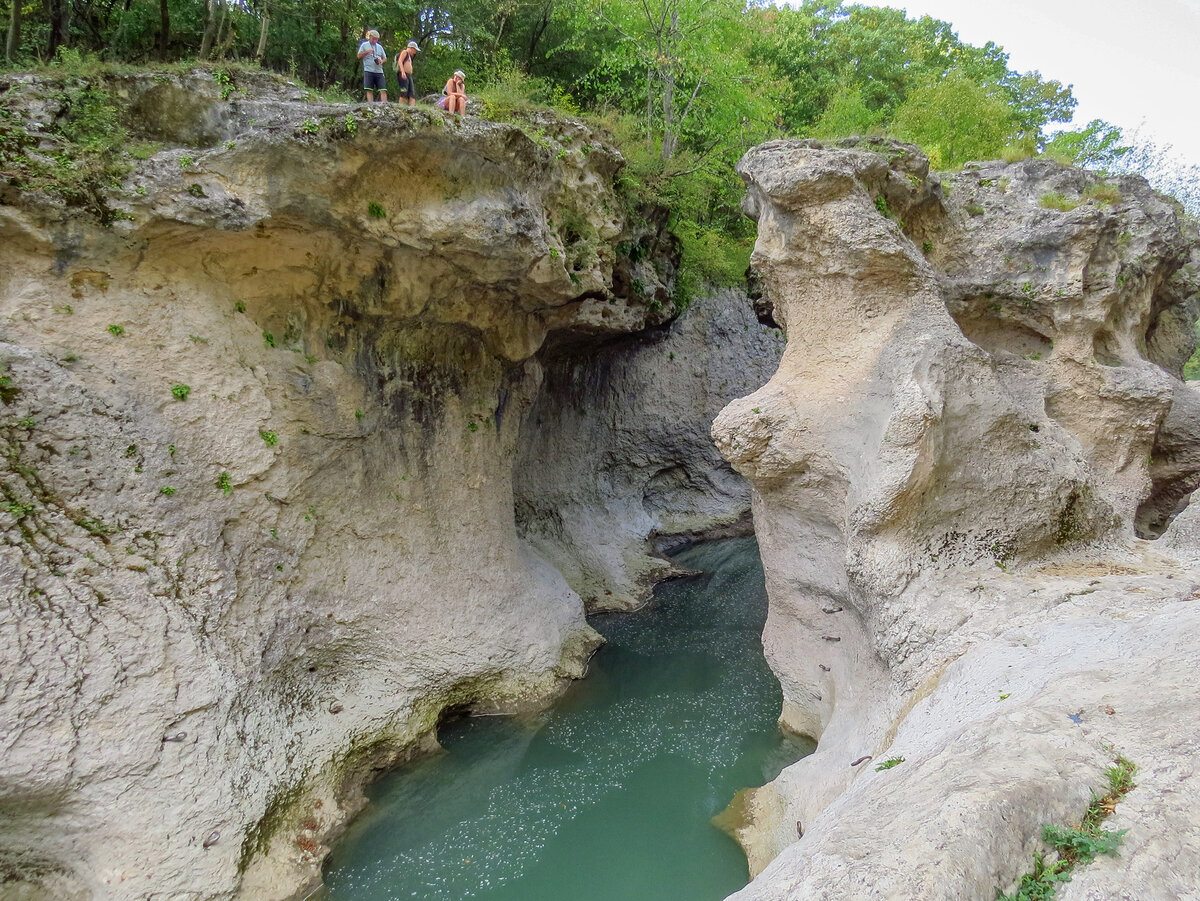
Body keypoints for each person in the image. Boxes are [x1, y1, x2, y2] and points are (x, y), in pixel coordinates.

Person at [357, 30, 387, 103]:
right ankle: (371, 105)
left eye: (376, 39)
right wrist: (367, 52)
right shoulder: (364, 45)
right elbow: (358, 56)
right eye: (373, 38)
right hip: (368, 70)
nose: (375, 40)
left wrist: (381, 61)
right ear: (370, 37)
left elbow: (385, 58)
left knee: (383, 89)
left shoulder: (379, 47)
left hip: (379, 71)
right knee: (369, 89)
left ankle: (385, 105)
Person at [395, 40, 420, 107]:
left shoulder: (409, 56)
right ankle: (401, 107)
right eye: (415, 50)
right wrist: (403, 72)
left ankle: (412, 108)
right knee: (404, 92)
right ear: (412, 48)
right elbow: (400, 61)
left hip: (408, 75)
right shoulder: (404, 52)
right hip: (403, 74)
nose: (415, 52)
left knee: (411, 94)